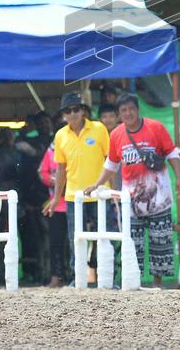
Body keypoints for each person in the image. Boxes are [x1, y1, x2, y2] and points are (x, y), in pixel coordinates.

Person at [85, 93, 180, 288]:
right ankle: (134, 282)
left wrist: (179, 178)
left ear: (138, 110)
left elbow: (172, 152)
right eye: (124, 110)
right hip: (130, 200)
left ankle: (157, 284)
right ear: (119, 114)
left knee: (160, 242)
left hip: (159, 197)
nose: (128, 113)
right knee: (133, 243)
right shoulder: (116, 135)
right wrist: (97, 184)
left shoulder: (155, 127)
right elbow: (111, 164)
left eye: (131, 108)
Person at [42, 92, 112, 286]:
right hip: (74, 197)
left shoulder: (99, 129)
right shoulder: (60, 136)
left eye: (76, 109)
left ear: (83, 111)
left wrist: (113, 191)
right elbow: (61, 169)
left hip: (100, 194)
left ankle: (106, 279)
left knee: (105, 237)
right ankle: (78, 279)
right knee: (76, 240)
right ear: (64, 114)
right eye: (68, 111)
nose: (72, 114)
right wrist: (56, 198)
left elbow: (111, 162)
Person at [39, 138, 68, 287]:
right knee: (55, 242)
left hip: (75, 202)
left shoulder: (77, 148)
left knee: (75, 242)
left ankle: (75, 276)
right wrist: (51, 180)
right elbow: (42, 171)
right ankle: (56, 277)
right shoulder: (51, 150)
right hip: (55, 205)